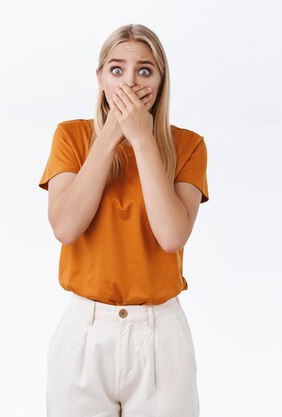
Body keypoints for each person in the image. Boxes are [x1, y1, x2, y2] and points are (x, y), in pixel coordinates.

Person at [38, 24, 208, 417]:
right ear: (100, 77)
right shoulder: (72, 137)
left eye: (144, 71)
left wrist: (144, 140)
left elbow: (172, 235)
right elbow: (65, 227)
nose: (129, 82)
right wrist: (111, 135)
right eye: (117, 70)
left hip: (160, 336)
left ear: (161, 79)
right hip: (84, 331)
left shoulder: (188, 146)